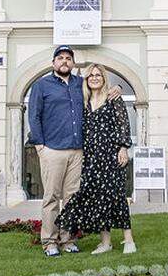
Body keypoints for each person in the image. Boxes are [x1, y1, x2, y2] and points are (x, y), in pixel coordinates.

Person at [26, 45, 117, 257]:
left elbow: (99, 90)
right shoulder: (42, 85)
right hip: (52, 150)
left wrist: (117, 89)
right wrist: (40, 146)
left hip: (77, 151)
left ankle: (68, 240)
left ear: (73, 63)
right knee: (51, 197)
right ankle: (50, 242)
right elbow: (34, 117)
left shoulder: (79, 83)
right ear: (53, 63)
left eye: (68, 58)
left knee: (71, 199)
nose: (64, 61)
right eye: (60, 58)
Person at [58, 64, 137, 254]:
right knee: (98, 199)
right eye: (91, 75)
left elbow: (123, 124)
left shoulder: (113, 98)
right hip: (91, 157)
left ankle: (128, 240)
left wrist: (123, 148)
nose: (94, 78)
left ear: (104, 78)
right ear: (86, 80)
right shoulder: (83, 101)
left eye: (98, 75)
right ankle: (105, 243)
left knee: (117, 196)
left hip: (111, 155)